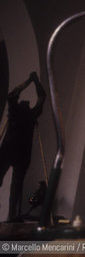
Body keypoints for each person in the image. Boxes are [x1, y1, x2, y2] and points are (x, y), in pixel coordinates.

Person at [0, 72, 46, 221]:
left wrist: (32, 81)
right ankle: (11, 216)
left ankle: (11, 217)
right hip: (12, 151)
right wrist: (32, 81)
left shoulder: (25, 113)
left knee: (16, 188)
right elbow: (13, 95)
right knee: (15, 187)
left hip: (17, 153)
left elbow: (41, 97)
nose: (25, 102)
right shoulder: (22, 113)